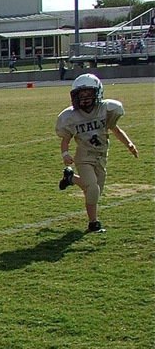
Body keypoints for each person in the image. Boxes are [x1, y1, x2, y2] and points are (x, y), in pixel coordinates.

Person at [55, 74, 139, 233]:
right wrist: (65, 154)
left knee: (95, 190)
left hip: (101, 155)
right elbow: (66, 138)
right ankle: (93, 223)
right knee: (92, 188)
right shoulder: (71, 116)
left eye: (88, 94)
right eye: (81, 95)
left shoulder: (106, 110)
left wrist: (129, 144)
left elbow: (115, 129)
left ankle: (70, 178)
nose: (85, 98)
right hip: (84, 156)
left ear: (97, 93)